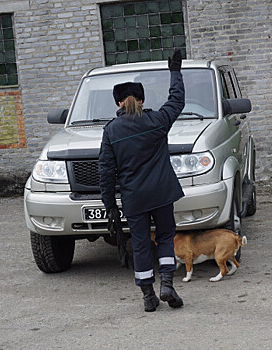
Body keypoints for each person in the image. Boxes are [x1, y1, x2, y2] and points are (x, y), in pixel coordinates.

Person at [98, 49, 185, 312]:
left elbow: (105, 169)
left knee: (140, 243)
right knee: (166, 236)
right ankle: (167, 283)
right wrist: (175, 72)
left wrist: (109, 203)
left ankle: (148, 296)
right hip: (161, 192)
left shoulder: (111, 131)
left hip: (133, 197)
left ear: (119, 104)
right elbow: (177, 101)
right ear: (141, 99)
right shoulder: (157, 120)